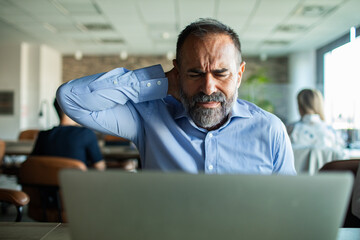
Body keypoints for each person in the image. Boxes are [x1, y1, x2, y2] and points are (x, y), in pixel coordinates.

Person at [56, 18, 295, 174]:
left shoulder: (270, 129)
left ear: (240, 74)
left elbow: (288, 208)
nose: (208, 87)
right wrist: (165, 82)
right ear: (178, 72)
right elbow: (71, 98)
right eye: (195, 73)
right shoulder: (149, 119)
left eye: (221, 74)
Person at [31, 99, 106, 170]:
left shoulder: (43, 135)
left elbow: (32, 164)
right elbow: (100, 167)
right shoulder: (86, 134)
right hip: (76, 183)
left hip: (45, 183)